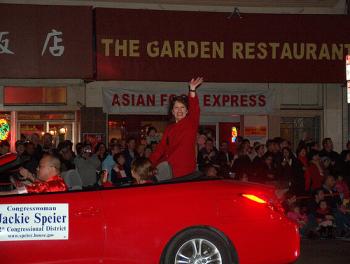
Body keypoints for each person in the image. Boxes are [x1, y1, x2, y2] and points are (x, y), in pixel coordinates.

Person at [149, 77, 203, 178]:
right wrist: (148, 163)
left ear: (187, 111)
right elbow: (161, 148)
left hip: (186, 172)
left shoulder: (191, 123)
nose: (179, 110)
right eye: (176, 107)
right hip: (168, 171)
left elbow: (195, 108)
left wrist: (192, 90)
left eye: (182, 107)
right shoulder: (169, 128)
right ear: (172, 111)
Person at [0, 154, 67, 195]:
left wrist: (5, 194)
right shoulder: (55, 182)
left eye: (40, 166)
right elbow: (41, 185)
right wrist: (29, 175)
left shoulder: (58, 185)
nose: (37, 168)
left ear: (52, 169)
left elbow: (35, 189)